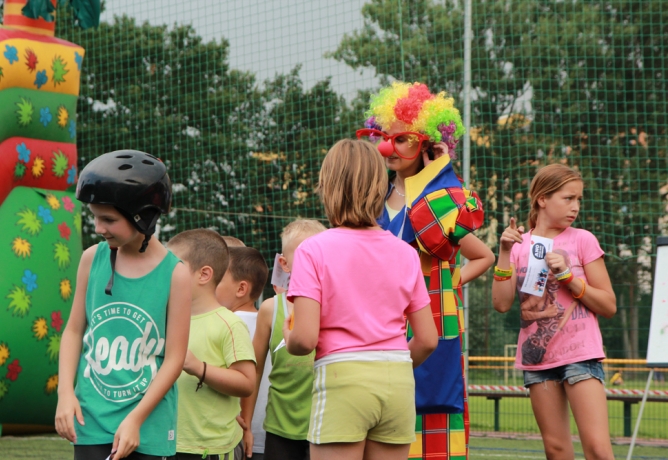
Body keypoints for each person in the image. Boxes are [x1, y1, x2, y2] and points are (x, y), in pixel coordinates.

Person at [358, 81, 494, 459]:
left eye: (402, 139)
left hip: (430, 320)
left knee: (433, 418)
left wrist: (449, 281)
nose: (390, 147)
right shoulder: (374, 197)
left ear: (427, 144)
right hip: (378, 319)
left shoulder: (440, 198)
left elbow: (480, 248)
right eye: (385, 137)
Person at [284, 139, 439, 460]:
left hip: (343, 380)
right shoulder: (405, 252)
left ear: (327, 187)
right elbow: (426, 339)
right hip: (397, 383)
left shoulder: (313, 250)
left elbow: (305, 338)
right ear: (379, 187)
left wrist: (289, 337)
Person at [55, 150, 191, 460]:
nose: (98, 227)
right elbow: (74, 331)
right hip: (91, 421)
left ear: (143, 216)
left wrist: (135, 420)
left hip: (148, 426)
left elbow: (174, 360)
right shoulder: (92, 259)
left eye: (109, 219)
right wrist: (65, 393)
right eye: (94, 216)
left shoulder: (177, 275)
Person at [492, 164, 616, 460]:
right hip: (538, 360)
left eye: (579, 200)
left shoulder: (582, 239)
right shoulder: (519, 245)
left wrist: (569, 278)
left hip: (580, 357)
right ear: (542, 199)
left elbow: (609, 305)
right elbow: (501, 304)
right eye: (568, 198)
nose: (575, 207)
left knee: (598, 450)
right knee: (556, 450)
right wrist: (505, 252)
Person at [167, 230, 257, 460]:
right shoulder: (167, 319)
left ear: (204, 274)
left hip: (212, 449)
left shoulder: (229, 324)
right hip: (166, 443)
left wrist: (199, 367)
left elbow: (246, 383)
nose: (164, 273)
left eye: (173, 266)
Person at [243, 219, 326, 460]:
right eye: (304, 255)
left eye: (319, 255)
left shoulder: (336, 304)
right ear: (284, 263)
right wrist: (246, 423)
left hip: (326, 426)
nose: (313, 262)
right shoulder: (271, 309)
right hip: (281, 429)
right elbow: (254, 370)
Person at [217, 247, 270, 459]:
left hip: (237, 431)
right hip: (270, 432)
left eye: (218, 279)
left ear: (241, 289)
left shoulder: (227, 324)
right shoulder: (267, 321)